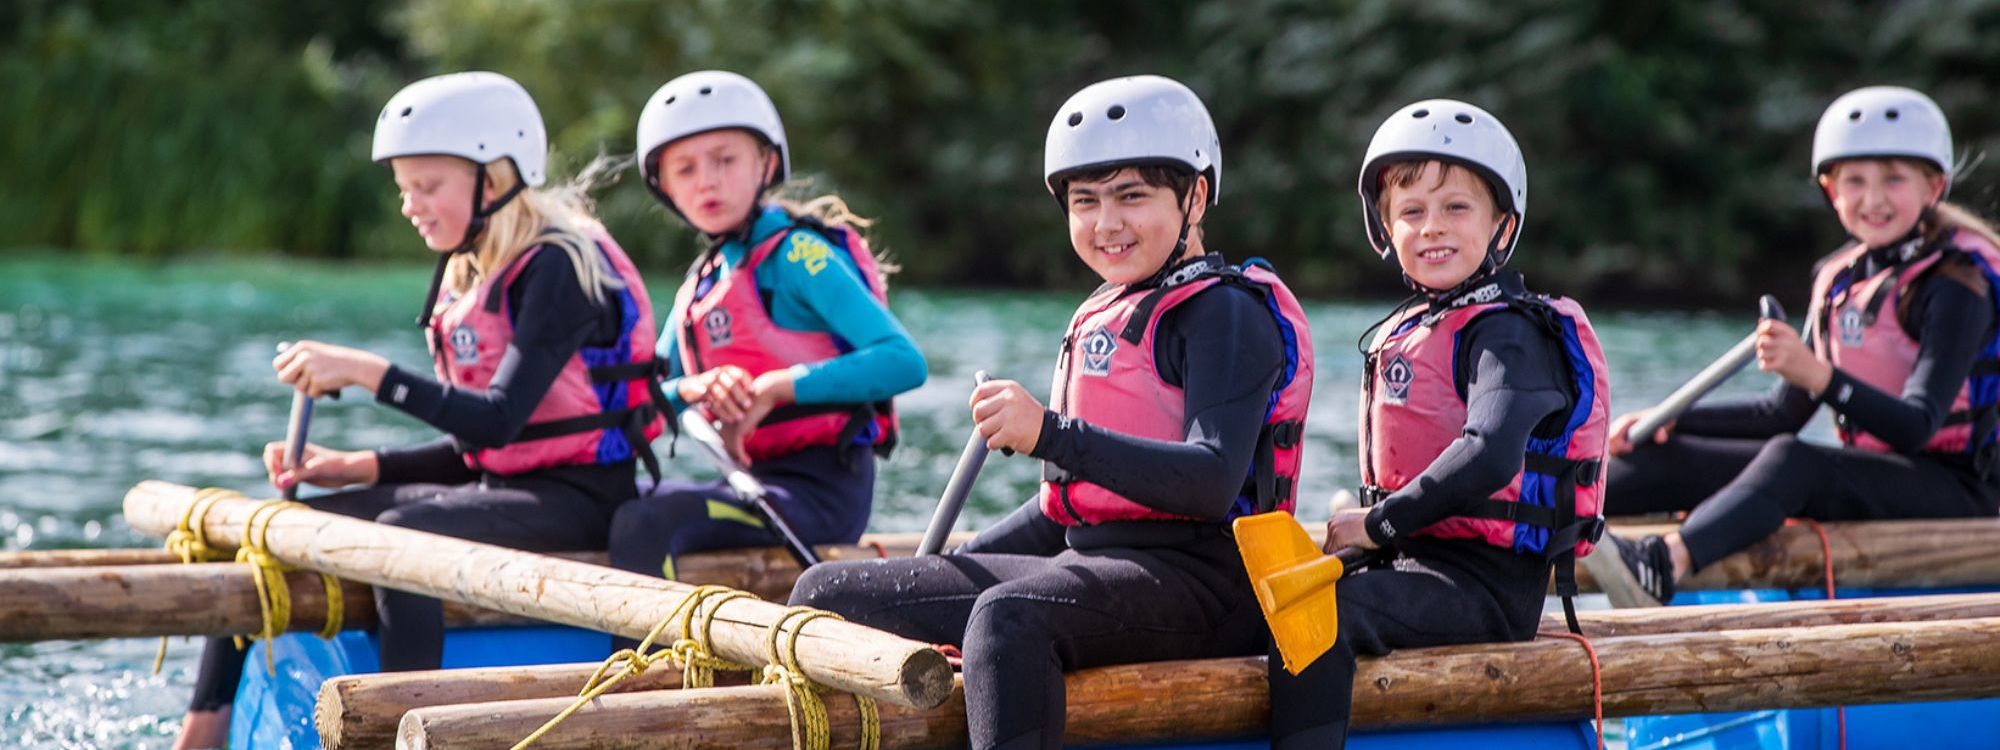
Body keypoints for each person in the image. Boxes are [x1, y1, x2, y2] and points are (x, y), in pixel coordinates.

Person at [787, 74, 1314, 750]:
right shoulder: (1110, 312)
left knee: (1009, 618)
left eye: (1132, 196)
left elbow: (1211, 483)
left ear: (1196, 194)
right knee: (829, 592)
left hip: (1207, 586)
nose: (1106, 224)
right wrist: (953, 563)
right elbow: (1068, 508)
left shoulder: (1227, 315)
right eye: (1085, 201)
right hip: (1092, 569)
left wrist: (1051, 434)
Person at [171, 71, 664, 749]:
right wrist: (359, 466)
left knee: (403, 537)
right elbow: (482, 454)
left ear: (493, 180)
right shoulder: (474, 267)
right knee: (274, 528)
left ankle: (405, 731)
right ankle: (201, 728)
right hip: (502, 487)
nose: (410, 205)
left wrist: (371, 374)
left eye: (428, 187)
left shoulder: (559, 267)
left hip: (583, 495)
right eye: (404, 189)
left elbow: (498, 419)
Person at [1268, 99, 1611, 748]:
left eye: (1456, 208)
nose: (1432, 228)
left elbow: (1491, 453)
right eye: (1411, 212)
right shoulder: (1418, 326)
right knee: (1271, 602)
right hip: (1413, 561)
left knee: (1322, 616)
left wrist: (1376, 523)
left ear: (1501, 225)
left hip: (1487, 586)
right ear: (1386, 229)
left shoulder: (1509, 333)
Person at [1589, 86, 2000, 608]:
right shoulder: (1839, 280)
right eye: (1855, 181)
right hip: (1878, 479)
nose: (1873, 199)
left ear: (1933, 186)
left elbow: (1918, 425)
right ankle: (1523, 521)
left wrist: (1819, 376)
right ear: (1832, 191)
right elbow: (1778, 414)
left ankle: (1661, 565)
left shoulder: (1957, 286)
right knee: (1663, 453)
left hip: (1964, 491)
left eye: (1894, 178)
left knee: (1794, 461)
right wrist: (1671, 419)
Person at [606, 70, 924, 591]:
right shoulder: (700, 288)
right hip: (750, 483)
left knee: (645, 521)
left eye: (725, 160)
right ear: (665, 187)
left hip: (821, 491)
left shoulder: (799, 254)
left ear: (766, 163)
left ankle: (646, 671)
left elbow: (903, 361)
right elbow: (641, 408)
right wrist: (690, 389)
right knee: (615, 503)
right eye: (685, 169)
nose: (706, 180)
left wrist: (779, 386)